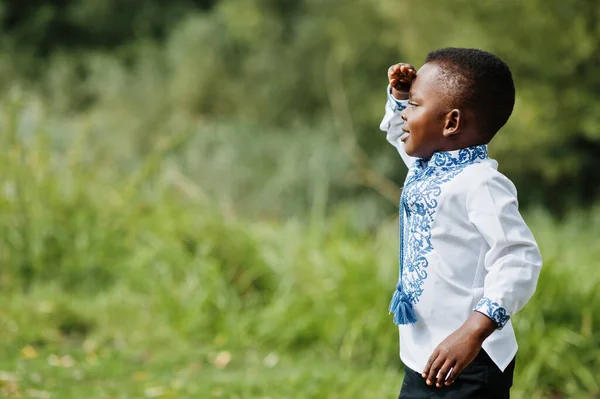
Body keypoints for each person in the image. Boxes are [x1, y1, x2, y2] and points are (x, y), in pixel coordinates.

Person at [379, 48, 543, 398]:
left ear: (451, 122)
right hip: (425, 356)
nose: (406, 114)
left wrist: (472, 332)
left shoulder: (480, 182)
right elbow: (401, 135)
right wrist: (399, 96)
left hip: (469, 360)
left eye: (415, 105)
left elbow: (519, 258)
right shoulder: (430, 168)